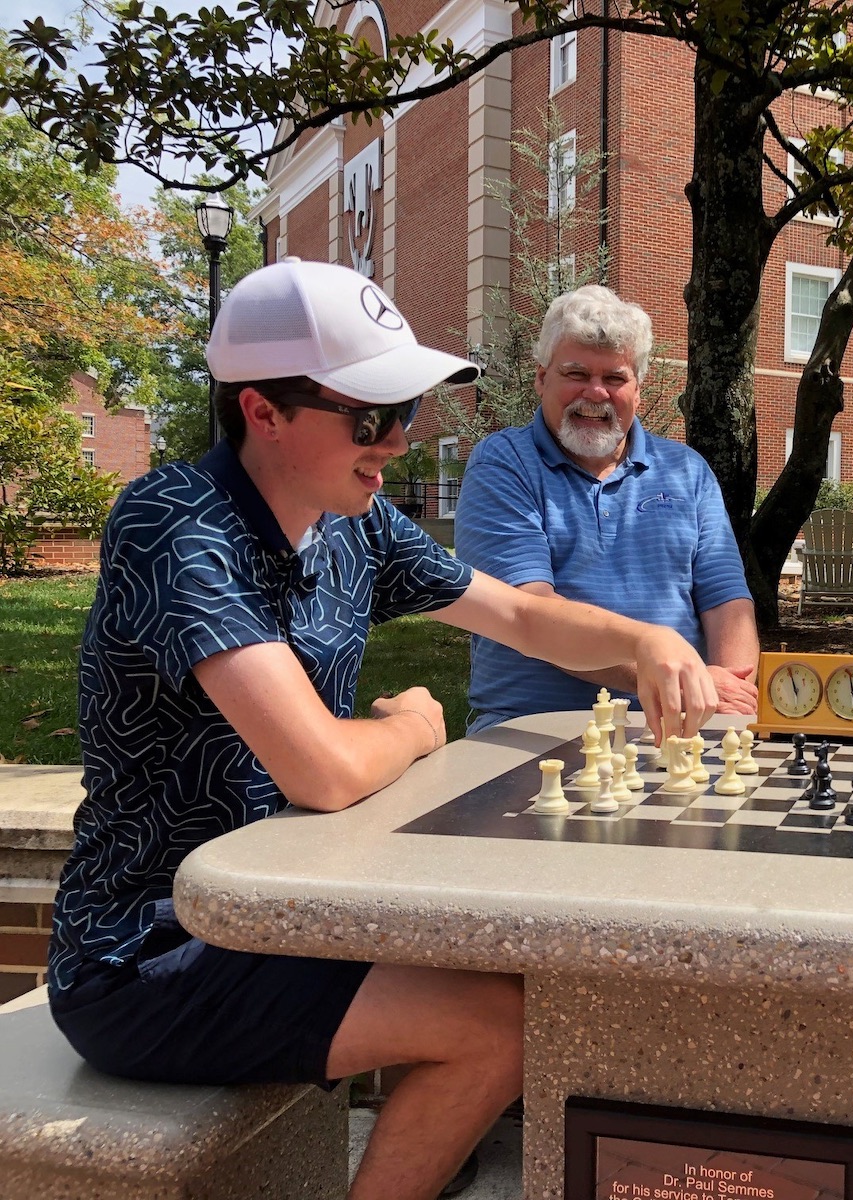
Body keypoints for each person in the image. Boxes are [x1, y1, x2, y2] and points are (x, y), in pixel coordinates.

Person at [47, 259, 719, 1200]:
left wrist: (646, 641)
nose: (398, 442)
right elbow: (321, 769)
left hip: (286, 915)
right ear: (262, 412)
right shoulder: (176, 523)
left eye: (406, 410)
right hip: (151, 953)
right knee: (496, 1025)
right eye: (370, 417)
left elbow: (521, 618)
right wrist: (411, 727)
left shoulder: (351, 523)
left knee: (501, 953)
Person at [455, 285, 759, 732]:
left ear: (638, 388)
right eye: (576, 373)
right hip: (536, 728)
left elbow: (727, 603)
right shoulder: (502, 465)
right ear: (542, 377)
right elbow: (531, 612)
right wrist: (665, 678)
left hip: (683, 723)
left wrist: (727, 702)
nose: (595, 393)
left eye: (614, 378)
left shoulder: (687, 470)